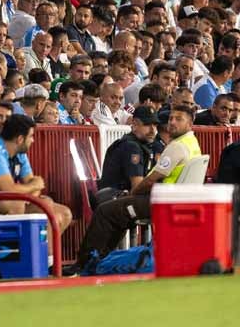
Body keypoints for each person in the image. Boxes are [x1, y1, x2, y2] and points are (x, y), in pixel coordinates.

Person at [76, 104, 202, 269]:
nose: (172, 122)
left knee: (105, 211)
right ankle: (103, 262)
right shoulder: (192, 143)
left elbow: (150, 181)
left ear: (190, 124)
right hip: (175, 201)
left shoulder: (177, 146)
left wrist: (132, 194)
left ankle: (84, 264)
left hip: (161, 201)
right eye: (171, 118)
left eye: (178, 119)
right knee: (117, 211)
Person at [95, 106, 159, 205]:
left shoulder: (144, 145)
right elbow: (137, 187)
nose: (153, 130)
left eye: (155, 125)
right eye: (147, 124)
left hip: (121, 200)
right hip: (112, 203)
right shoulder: (131, 147)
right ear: (135, 124)